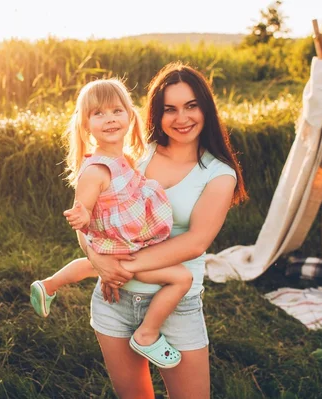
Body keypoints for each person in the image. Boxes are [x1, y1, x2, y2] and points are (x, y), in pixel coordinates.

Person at [81, 62, 247, 399]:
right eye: (170, 108)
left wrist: (120, 266)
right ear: (156, 113)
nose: (181, 118)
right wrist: (96, 260)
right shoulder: (136, 155)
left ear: (206, 109)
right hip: (115, 298)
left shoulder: (219, 174)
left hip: (176, 303)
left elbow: (196, 242)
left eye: (191, 106)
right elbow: (90, 212)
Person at [30, 78, 194, 368]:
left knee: (94, 267)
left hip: (123, 244)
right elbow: (83, 213)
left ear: (130, 116)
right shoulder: (96, 171)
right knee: (182, 278)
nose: (109, 119)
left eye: (116, 110)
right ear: (85, 124)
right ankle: (147, 334)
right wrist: (81, 215)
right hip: (122, 248)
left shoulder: (123, 159)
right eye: (98, 114)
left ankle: (49, 285)